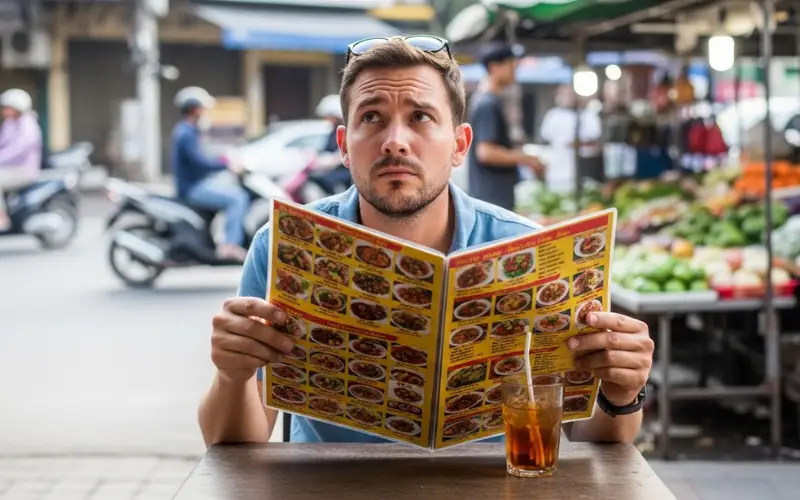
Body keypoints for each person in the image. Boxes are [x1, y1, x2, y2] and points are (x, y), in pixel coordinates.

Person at [199, 36, 654, 447]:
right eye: (372, 117)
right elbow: (234, 440)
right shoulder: (284, 247)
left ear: (459, 145)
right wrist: (231, 375)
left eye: (420, 117)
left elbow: (592, 437)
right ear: (343, 144)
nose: (395, 142)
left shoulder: (535, 256)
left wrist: (622, 392)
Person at [171, 86, 249, 262]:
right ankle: (230, 245)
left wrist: (223, 158)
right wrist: (225, 164)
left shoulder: (189, 130)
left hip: (197, 183)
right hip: (192, 188)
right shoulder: (186, 133)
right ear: (194, 109)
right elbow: (199, 162)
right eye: (203, 108)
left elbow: (204, 157)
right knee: (238, 197)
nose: (205, 113)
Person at [467, 42, 543, 211]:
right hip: (491, 199)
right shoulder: (486, 103)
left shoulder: (490, 100)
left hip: (495, 197)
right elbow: (486, 153)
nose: (514, 71)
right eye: (511, 66)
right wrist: (525, 158)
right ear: (494, 67)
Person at [540, 84, 604, 193]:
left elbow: (595, 141)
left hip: (583, 169)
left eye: (570, 93)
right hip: (556, 170)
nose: (566, 97)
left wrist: (575, 144)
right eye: (562, 93)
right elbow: (546, 140)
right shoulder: (552, 115)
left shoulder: (588, 115)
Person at [0, 89, 43, 230]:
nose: (4, 111)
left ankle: (2, 217)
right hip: (8, 168)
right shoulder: (9, 124)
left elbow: (17, 150)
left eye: (7, 107)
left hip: (23, 170)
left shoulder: (28, 126)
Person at [311, 94, 352, 195]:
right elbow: (325, 149)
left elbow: (347, 150)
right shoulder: (332, 132)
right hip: (332, 168)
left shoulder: (348, 130)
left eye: (329, 116)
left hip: (345, 170)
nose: (327, 120)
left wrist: (333, 160)